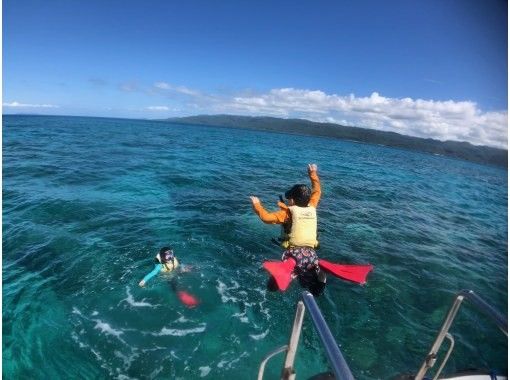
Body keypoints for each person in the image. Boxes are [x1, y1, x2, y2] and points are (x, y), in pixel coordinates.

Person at [250, 164, 327, 296]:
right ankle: (321, 275)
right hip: (311, 255)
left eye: (289, 199)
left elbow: (266, 218)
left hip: (294, 256)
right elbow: (317, 190)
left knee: (271, 287)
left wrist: (257, 204)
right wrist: (313, 173)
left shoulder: (287, 214)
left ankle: (291, 273)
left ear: (292, 200)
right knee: (311, 289)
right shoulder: (312, 206)